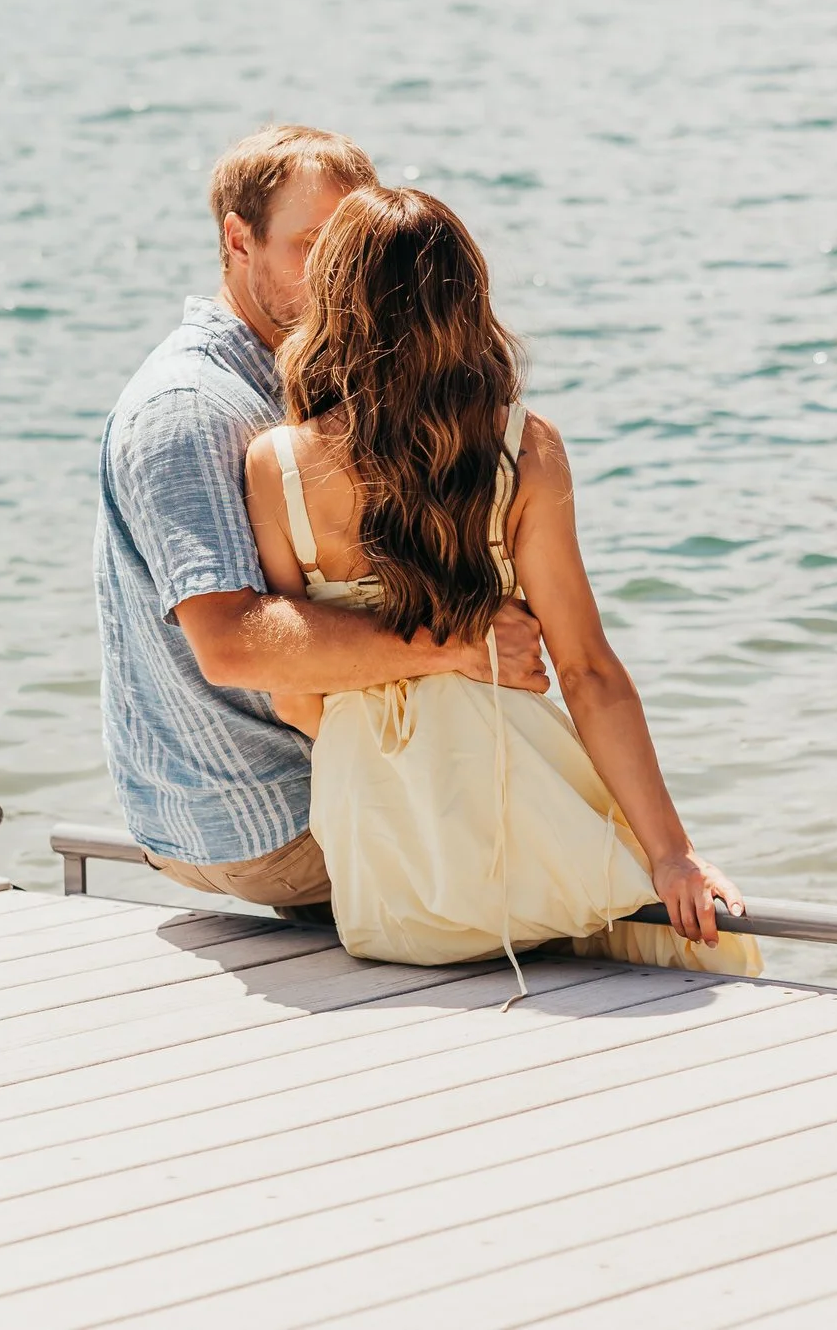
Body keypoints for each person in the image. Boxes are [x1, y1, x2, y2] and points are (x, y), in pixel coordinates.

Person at [244, 183, 762, 985]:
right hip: (532, 846)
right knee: (687, 935)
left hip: (389, 888)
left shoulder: (274, 465)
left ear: (338, 303)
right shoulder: (526, 449)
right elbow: (587, 670)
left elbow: (294, 696)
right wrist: (673, 853)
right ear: (467, 303)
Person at [94, 126, 550, 917]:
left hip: (321, 771)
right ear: (239, 241)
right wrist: (457, 648)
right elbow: (231, 642)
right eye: (313, 246)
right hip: (260, 820)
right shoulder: (191, 410)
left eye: (353, 249)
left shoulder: (305, 378)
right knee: (574, 861)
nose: (344, 277)